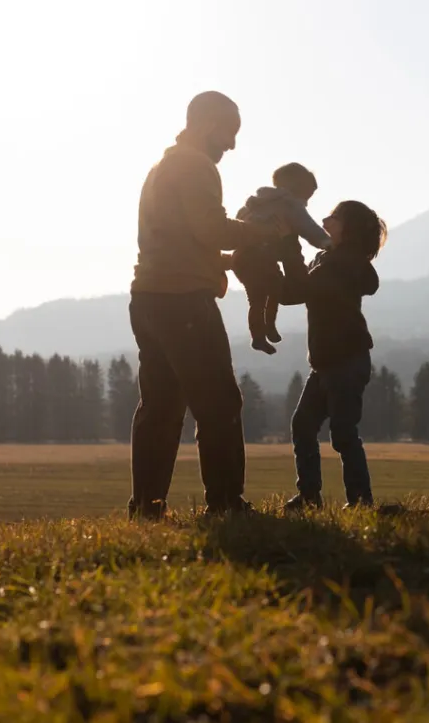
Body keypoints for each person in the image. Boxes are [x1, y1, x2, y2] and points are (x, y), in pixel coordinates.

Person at [127, 91, 282, 519]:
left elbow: (181, 241)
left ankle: (146, 508)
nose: (231, 144)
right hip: (184, 303)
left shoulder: (162, 167)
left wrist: (234, 260)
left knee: (160, 408)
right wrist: (262, 232)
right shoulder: (196, 166)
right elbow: (210, 229)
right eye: (229, 132)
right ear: (209, 123)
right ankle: (226, 505)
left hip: (149, 298)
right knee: (219, 403)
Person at [278, 200, 386, 510]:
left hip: (346, 362)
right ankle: (311, 498)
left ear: (347, 228)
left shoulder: (342, 265)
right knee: (305, 426)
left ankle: (360, 501)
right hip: (327, 364)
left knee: (342, 433)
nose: (325, 220)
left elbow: (301, 289)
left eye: (334, 217)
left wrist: (288, 244)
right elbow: (295, 292)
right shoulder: (327, 261)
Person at [230, 162, 332, 355]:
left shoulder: (253, 204)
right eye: (306, 198)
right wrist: (327, 243)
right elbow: (308, 227)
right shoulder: (290, 205)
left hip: (242, 258)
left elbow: (237, 225)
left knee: (259, 297)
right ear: (296, 190)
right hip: (259, 257)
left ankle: (260, 334)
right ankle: (266, 329)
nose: (306, 204)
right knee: (271, 291)